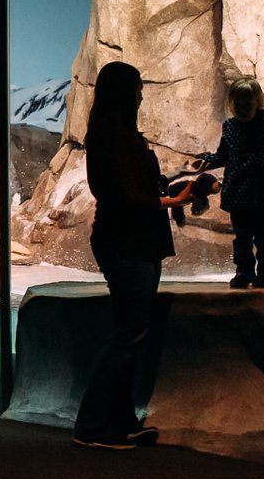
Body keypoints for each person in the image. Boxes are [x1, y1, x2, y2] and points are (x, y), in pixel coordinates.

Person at [71, 60, 197, 450]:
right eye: (138, 88)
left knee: (131, 330)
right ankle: (92, 425)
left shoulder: (118, 134)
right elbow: (125, 196)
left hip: (135, 240)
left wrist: (172, 184)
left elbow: (134, 186)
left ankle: (121, 420)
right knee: (128, 333)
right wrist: (172, 200)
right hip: (127, 241)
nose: (142, 94)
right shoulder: (112, 136)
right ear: (124, 92)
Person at [196, 77, 264, 288]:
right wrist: (205, 161)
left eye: (248, 104)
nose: (243, 109)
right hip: (238, 189)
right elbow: (223, 155)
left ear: (257, 102)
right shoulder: (229, 126)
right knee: (242, 235)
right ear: (231, 104)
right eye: (238, 104)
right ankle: (244, 272)